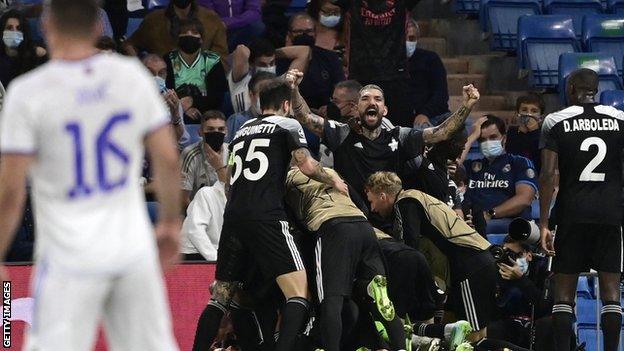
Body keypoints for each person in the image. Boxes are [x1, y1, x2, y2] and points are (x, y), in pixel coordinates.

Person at [0, 0, 181, 350]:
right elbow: (168, 159)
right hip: (129, 245)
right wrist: (171, 224)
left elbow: (10, 191)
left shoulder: (28, 93)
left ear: (47, 26)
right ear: (98, 28)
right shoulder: (131, 78)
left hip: (68, 253)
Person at [193, 78, 347, 351]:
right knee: (298, 292)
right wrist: (333, 180)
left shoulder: (240, 130)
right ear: (287, 104)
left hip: (234, 218)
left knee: (220, 297)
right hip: (267, 215)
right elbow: (307, 166)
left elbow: (229, 183)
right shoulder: (288, 124)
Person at [289, 67, 480, 204]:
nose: (371, 102)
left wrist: (466, 106)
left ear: (385, 110)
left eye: (377, 99)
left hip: (389, 214)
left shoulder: (400, 135)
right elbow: (305, 117)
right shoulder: (342, 133)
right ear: (357, 108)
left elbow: (442, 132)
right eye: (365, 99)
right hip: (351, 210)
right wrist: (294, 90)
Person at [539, 68, 624, 351]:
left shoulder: (555, 121)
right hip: (611, 214)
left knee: (563, 295)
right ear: (595, 90)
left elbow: (548, 175)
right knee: (612, 295)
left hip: (571, 213)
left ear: (572, 88)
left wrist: (544, 223)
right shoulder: (620, 120)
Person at [365, 172, 497, 341]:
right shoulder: (417, 197)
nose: (372, 209)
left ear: (382, 196)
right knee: (454, 331)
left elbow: (407, 250)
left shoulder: (405, 202)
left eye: (371, 201)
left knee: (473, 335)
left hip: (471, 266)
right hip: (470, 265)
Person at [284, 167, 406, 351]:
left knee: (331, 300)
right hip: (363, 227)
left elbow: (284, 217)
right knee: (380, 299)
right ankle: (400, 347)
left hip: (332, 226)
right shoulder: (329, 171)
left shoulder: (286, 176)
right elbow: (362, 205)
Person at [332, 0, 418, 127]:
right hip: (360, 78)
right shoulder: (353, 3)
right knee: (359, 132)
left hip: (396, 78)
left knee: (400, 134)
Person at [461, 115, 538, 235]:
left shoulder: (519, 162)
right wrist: (472, 137)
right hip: (474, 225)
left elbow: (524, 199)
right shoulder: (472, 166)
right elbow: (452, 164)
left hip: (509, 226)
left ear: (504, 138)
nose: (487, 143)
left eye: (493, 137)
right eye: (482, 139)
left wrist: (488, 214)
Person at [122, 0, 227, 59]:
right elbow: (130, 44)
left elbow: (222, 59)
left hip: (202, 85)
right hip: (163, 85)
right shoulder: (153, 21)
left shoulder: (212, 19)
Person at [164, 18, 227, 115]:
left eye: (194, 32)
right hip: (173, 112)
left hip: (207, 113)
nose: (189, 35)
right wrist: (184, 109)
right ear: (178, 38)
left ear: (201, 39)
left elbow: (217, 96)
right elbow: (165, 91)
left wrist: (193, 102)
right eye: (184, 32)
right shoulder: (168, 59)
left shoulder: (212, 61)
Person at [228, 38, 310, 113]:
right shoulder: (241, 80)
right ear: (251, 64)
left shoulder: (281, 82)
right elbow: (242, 50)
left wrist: (273, 52)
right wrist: (256, 52)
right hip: (243, 125)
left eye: (271, 63)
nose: (268, 68)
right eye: (262, 64)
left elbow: (304, 52)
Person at [282, 12, 345, 110]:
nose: (304, 35)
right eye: (298, 31)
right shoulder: (281, 60)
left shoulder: (330, 57)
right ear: (289, 34)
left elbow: (341, 87)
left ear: (315, 33)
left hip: (324, 112)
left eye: (308, 31)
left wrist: (330, 107)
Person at [181, 143, 228, 261]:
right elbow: (195, 232)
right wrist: (216, 261)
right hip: (193, 255)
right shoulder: (206, 193)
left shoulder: (242, 200)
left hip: (217, 254)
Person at [406, 19, 450, 129]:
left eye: (411, 38)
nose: (407, 42)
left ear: (417, 39)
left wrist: (425, 113)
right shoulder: (390, 64)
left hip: (433, 116)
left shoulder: (431, 59)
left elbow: (441, 93)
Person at [180, 110, 229, 205]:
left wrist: (219, 167)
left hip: (226, 210)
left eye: (221, 129)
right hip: (196, 210)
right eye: (210, 129)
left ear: (226, 132)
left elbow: (232, 192)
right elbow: (183, 199)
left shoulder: (233, 153)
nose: (216, 133)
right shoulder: (190, 154)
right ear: (200, 132)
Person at [142, 53, 190, 148]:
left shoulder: (172, 99)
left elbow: (179, 140)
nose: (156, 77)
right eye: (150, 73)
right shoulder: (131, 97)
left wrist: (175, 112)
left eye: (161, 73)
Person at [0, 9, 47, 87]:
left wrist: (43, 54)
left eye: (18, 28)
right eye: (9, 28)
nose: (14, 31)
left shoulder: (35, 53)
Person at [225, 70, 275, 143]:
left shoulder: (282, 122)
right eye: (263, 93)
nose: (268, 98)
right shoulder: (237, 121)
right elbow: (226, 149)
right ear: (251, 95)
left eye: (272, 94)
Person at [198, 0, 264, 51]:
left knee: (257, 26)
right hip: (218, 30)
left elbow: (254, 11)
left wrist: (229, 23)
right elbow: (209, 16)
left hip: (242, 28)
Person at [505, 93, 545, 172]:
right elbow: (512, 156)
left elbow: (540, 157)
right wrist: (521, 133)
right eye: (524, 110)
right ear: (517, 113)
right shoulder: (512, 132)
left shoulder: (545, 133)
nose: (529, 114)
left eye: (534, 111)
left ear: (541, 117)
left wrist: (535, 132)